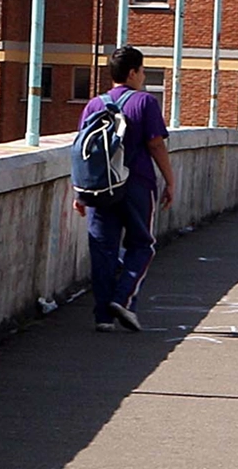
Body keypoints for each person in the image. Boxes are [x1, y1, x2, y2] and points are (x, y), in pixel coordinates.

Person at [73, 46, 176, 333]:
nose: (143, 76)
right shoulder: (145, 103)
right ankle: (123, 299)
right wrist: (170, 180)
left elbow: (83, 151)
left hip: (99, 188)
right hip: (137, 185)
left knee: (103, 251)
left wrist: (79, 191)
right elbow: (156, 144)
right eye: (142, 71)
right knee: (142, 245)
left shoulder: (94, 104)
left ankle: (103, 318)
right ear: (132, 72)